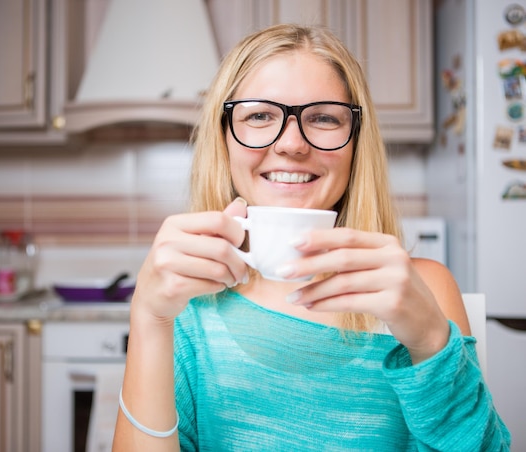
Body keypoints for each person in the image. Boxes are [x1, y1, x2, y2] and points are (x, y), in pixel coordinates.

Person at [113, 23, 511, 451]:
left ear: (357, 142)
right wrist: (148, 318)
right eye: (260, 115)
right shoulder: (183, 302)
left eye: (322, 117)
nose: (291, 143)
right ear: (224, 136)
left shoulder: (421, 291)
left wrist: (432, 341)